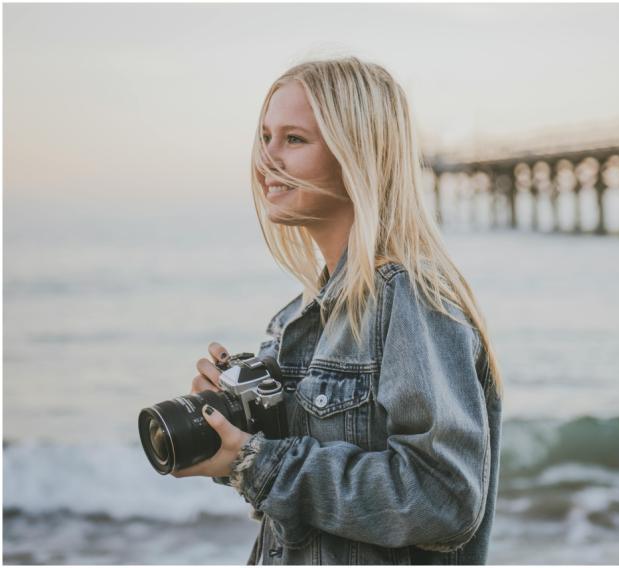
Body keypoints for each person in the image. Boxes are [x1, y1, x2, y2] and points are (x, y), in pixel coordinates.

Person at [171, 56, 504, 565]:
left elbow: (443, 498)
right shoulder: (297, 318)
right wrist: (232, 441)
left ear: (357, 153)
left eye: (294, 139)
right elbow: (306, 507)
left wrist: (259, 464)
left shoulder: (408, 297)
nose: (266, 159)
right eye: (265, 137)